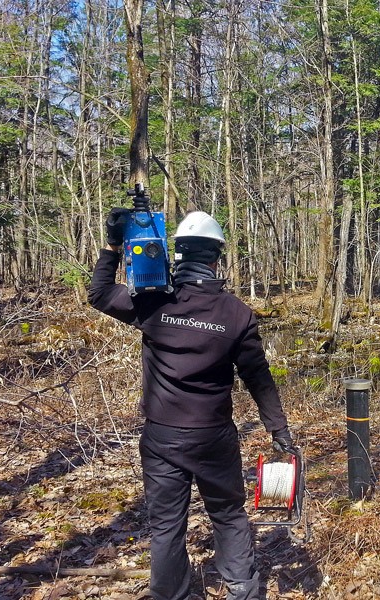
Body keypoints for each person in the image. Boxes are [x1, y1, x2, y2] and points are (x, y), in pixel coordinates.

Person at [88, 208, 294, 600]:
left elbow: (99, 294)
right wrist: (278, 430)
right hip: (213, 438)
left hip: (162, 437)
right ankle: (243, 591)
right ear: (216, 257)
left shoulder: (153, 302)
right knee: (228, 514)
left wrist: (113, 245)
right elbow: (258, 377)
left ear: (178, 253)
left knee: (166, 525)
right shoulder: (237, 314)